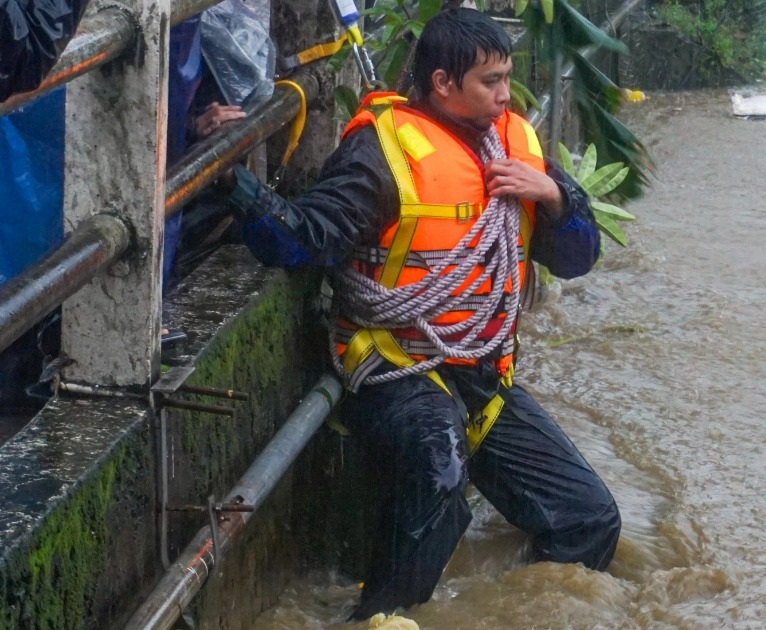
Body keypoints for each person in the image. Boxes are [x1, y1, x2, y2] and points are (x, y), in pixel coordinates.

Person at [222, 8, 621, 619]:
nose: (506, 95)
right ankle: (379, 615)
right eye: (491, 81)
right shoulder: (379, 156)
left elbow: (577, 259)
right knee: (439, 482)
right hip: (394, 365)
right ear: (442, 83)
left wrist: (557, 197)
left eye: (507, 78)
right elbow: (303, 240)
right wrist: (240, 186)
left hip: (483, 374)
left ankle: (501, 607)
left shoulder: (516, 148)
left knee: (590, 521)